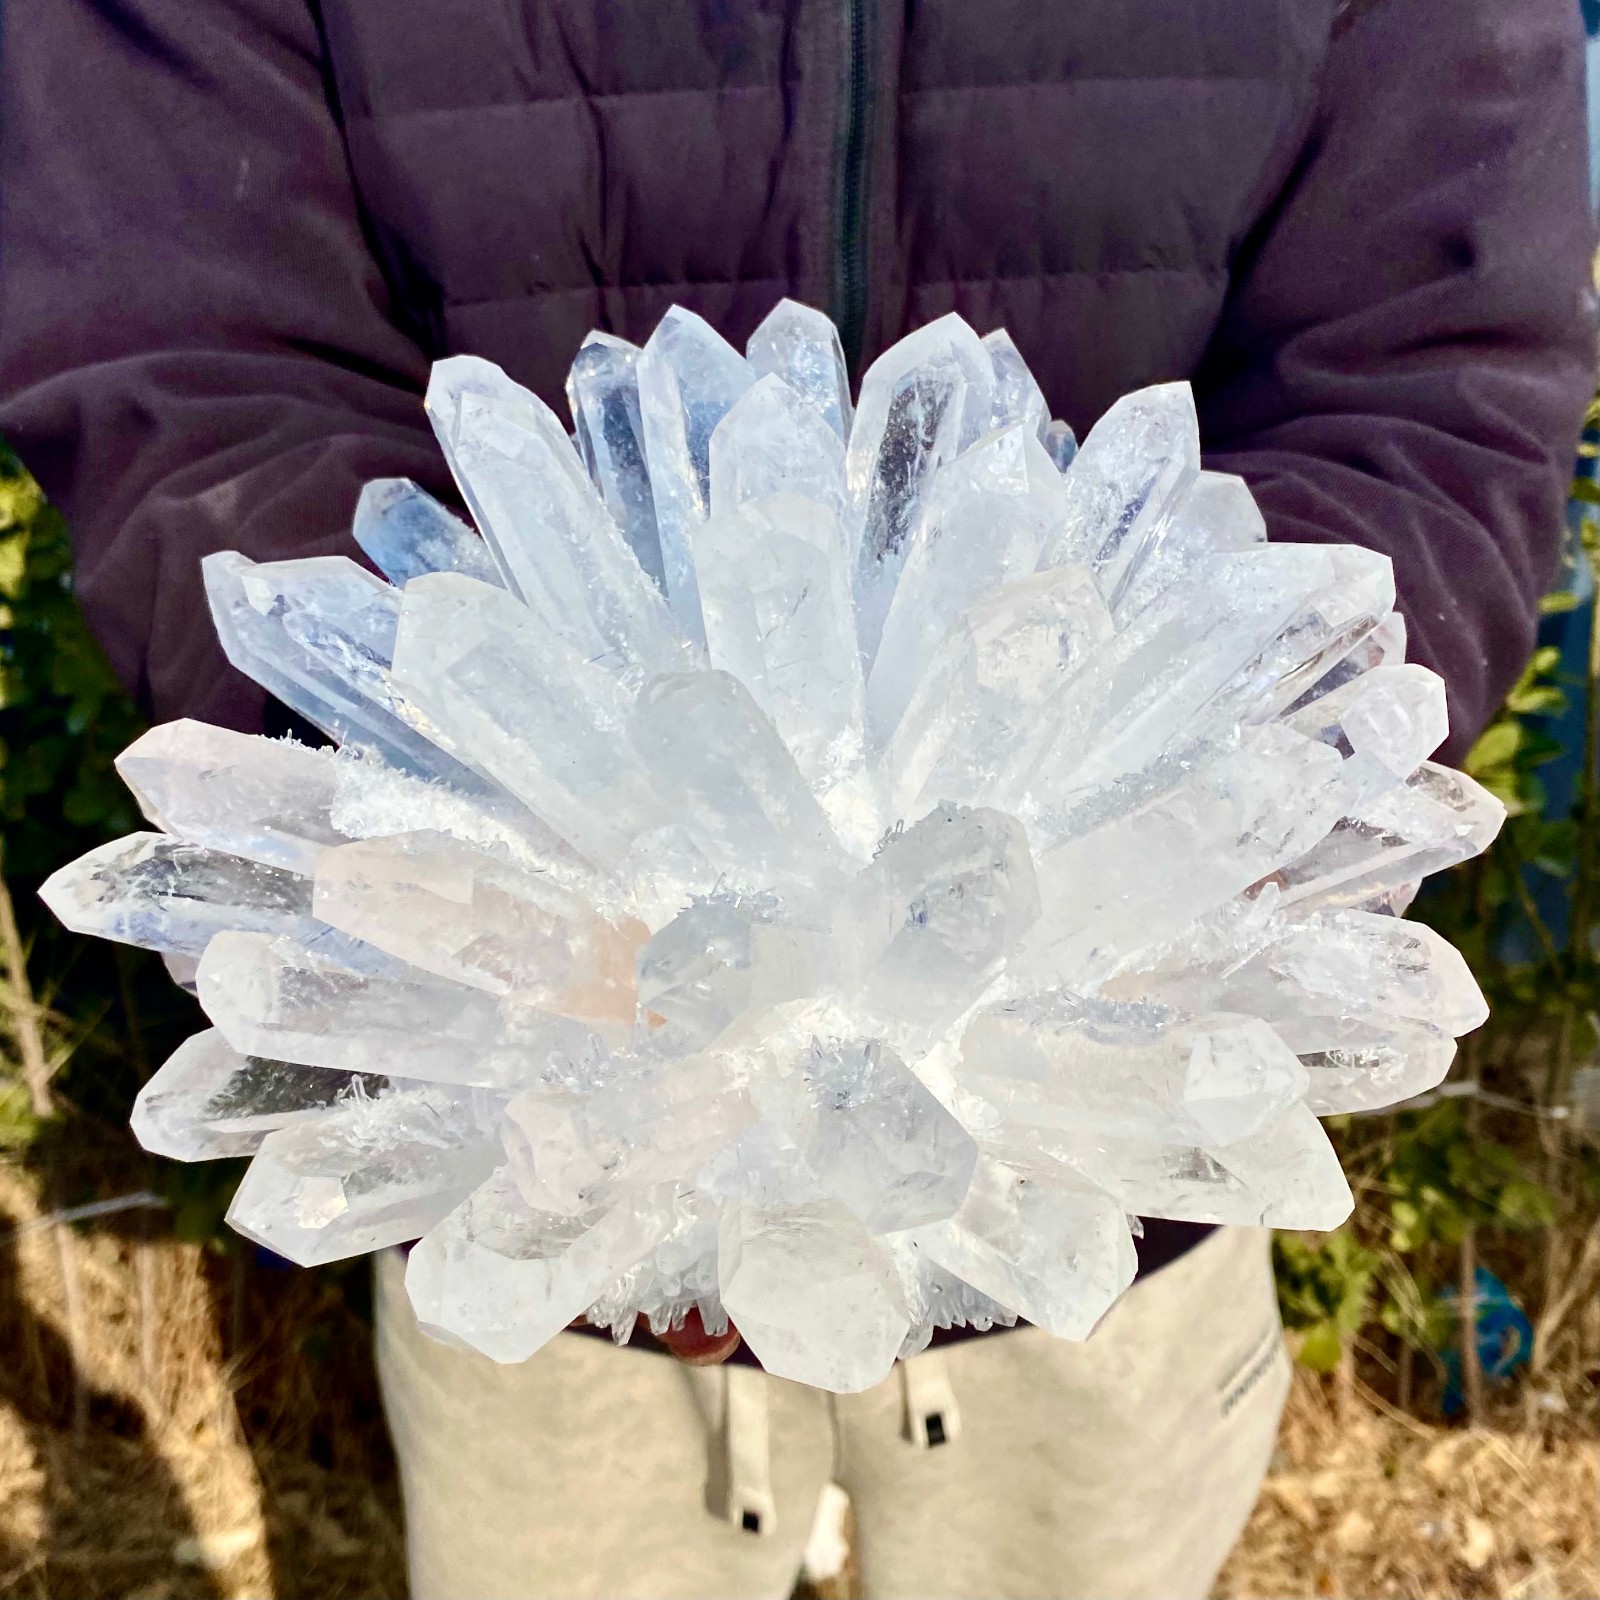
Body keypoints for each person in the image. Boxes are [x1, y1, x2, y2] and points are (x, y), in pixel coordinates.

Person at [0, 2, 1593, 1596]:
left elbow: (1432, 378)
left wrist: (1200, 814)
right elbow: (188, 354)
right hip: (552, 1188)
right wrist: (470, 842)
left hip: (1102, 1181)